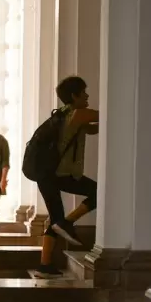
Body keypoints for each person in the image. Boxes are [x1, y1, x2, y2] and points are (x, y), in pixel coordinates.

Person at [31, 76, 99, 278]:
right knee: (97, 192)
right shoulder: (78, 113)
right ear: (73, 96)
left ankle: (45, 265)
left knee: (55, 219)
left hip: (47, 174)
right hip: (57, 174)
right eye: (84, 92)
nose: (87, 96)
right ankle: (66, 223)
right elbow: (104, 115)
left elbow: (92, 129)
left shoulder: (63, 115)